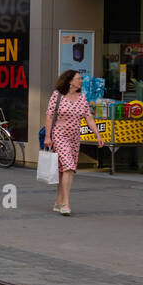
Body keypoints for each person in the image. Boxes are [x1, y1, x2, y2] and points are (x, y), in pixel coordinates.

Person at [44, 69, 100, 216]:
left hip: (75, 138)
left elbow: (88, 118)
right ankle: (66, 204)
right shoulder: (57, 95)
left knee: (65, 171)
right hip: (59, 135)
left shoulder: (82, 98)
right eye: (79, 78)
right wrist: (48, 137)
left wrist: (97, 134)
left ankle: (58, 201)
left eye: (81, 79)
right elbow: (49, 117)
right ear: (70, 81)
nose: (81, 81)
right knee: (68, 166)